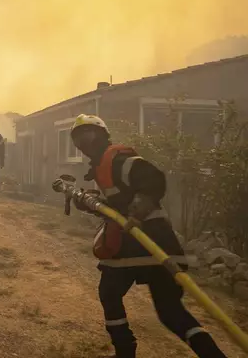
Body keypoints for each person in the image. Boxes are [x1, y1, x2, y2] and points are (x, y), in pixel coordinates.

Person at [69, 114, 226, 358]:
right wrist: (87, 201)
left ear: (102, 135)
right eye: (78, 139)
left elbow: (152, 178)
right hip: (156, 244)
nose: (83, 144)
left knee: (111, 294)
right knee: (171, 312)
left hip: (141, 242)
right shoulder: (102, 166)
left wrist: (138, 209)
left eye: (88, 135)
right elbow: (115, 202)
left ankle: (125, 350)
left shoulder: (118, 159)